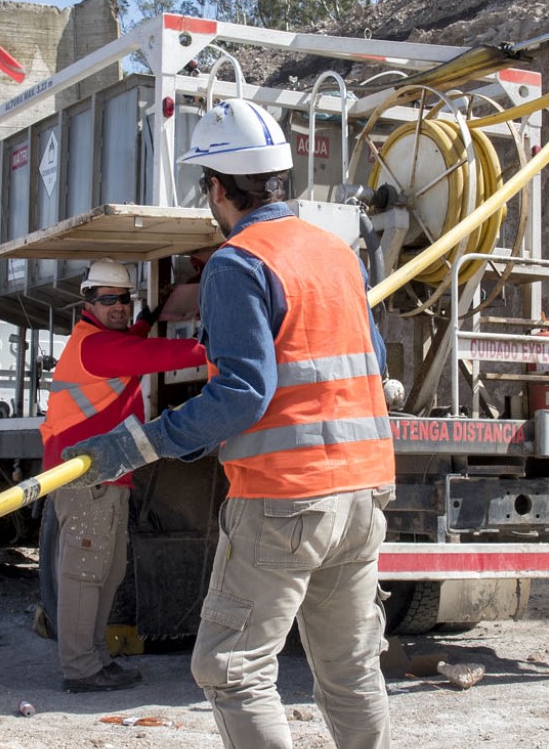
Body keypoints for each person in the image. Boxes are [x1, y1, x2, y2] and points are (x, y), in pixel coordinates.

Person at [64, 99, 396, 748]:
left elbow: (241, 394)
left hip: (286, 497)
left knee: (230, 667)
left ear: (215, 188)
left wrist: (138, 444)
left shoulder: (239, 262)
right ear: (279, 178)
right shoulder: (335, 252)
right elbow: (373, 362)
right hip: (363, 492)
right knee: (347, 665)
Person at [40, 258, 207, 693]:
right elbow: (151, 354)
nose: (119, 307)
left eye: (126, 299)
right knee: (84, 575)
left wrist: (150, 315)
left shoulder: (108, 339)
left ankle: (95, 659)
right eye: (109, 299)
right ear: (89, 301)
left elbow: (134, 339)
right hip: (84, 481)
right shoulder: (95, 346)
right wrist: (216, 351)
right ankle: (80, 669)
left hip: (106, 476)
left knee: (107, 573)